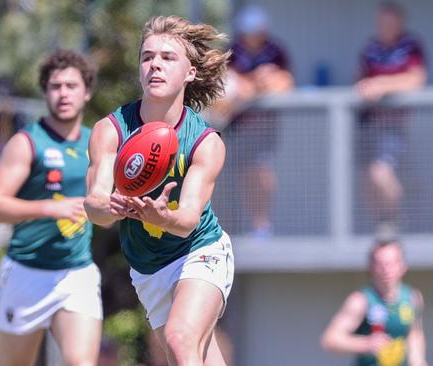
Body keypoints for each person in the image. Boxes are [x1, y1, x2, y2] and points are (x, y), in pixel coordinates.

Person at [85, 16, 235, 365]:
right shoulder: (111, 130)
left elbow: (186, 222)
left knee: (181, 339)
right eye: (148, 56)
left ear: (190, 73)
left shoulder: (204, 142)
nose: (155, 64)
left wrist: (162, 215)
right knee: (193, 355)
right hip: (148, 268)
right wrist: (112, 206)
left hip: (200, 251)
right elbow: (94, 207)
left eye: (168, 58)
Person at [0, 49, 102, 366]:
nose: (63, 93)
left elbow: (105, 206)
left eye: (71, 86)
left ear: (87, 92)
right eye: (55, 86)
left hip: (76, 271)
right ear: (46, 92)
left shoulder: (97, 143)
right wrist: (51, 209)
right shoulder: (27, 143)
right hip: (26, 272)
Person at [210, 4, 293, 239]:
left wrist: (251, 87)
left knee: (260, 170)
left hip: (264, 128)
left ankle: (262, 225)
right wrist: (256, 84)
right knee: (240, 176)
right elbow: (225, 89)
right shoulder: (231, 51)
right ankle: (246, 226)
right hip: (235, 128)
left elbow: (284, 84)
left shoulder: (276, 50)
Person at [355, 2, 427, 237]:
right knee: (368, 175)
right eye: (380, 22)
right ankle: (380, 225)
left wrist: (382, 86)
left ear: (399, 22)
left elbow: (416, 81)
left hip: (393, 125)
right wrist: (364, 86)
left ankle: (395, 222)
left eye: (388, 21)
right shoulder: (371, 47)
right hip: (368, 123)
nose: (383, 26)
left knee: (381, 171)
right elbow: (359, 78)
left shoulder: (410, 46)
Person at [321, 240, 427, 366]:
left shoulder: (412, 298)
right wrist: (366, 343)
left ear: (402, 266)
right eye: (380, 264)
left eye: (391, 263)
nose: (386, 269)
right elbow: (330, 339)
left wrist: (417, 360)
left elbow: (414, 333)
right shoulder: (360, 301)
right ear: (371, 267)